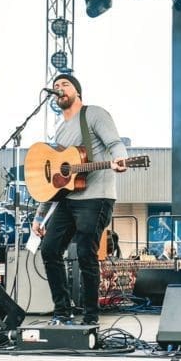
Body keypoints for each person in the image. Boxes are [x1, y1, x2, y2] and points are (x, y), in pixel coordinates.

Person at [32, 74, 129, 325]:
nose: (59, 89)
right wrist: (40, 216)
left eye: (65, 85)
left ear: (78, 92)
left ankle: (90, 317)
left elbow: (115, 143)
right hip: (68, 200)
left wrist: (121, 159)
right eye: (55, 87)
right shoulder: (60, 129)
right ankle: (62, 313)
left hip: (96, 197)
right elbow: (54, 180)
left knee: (86, 253)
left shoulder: (93, 114)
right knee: (50, 249)